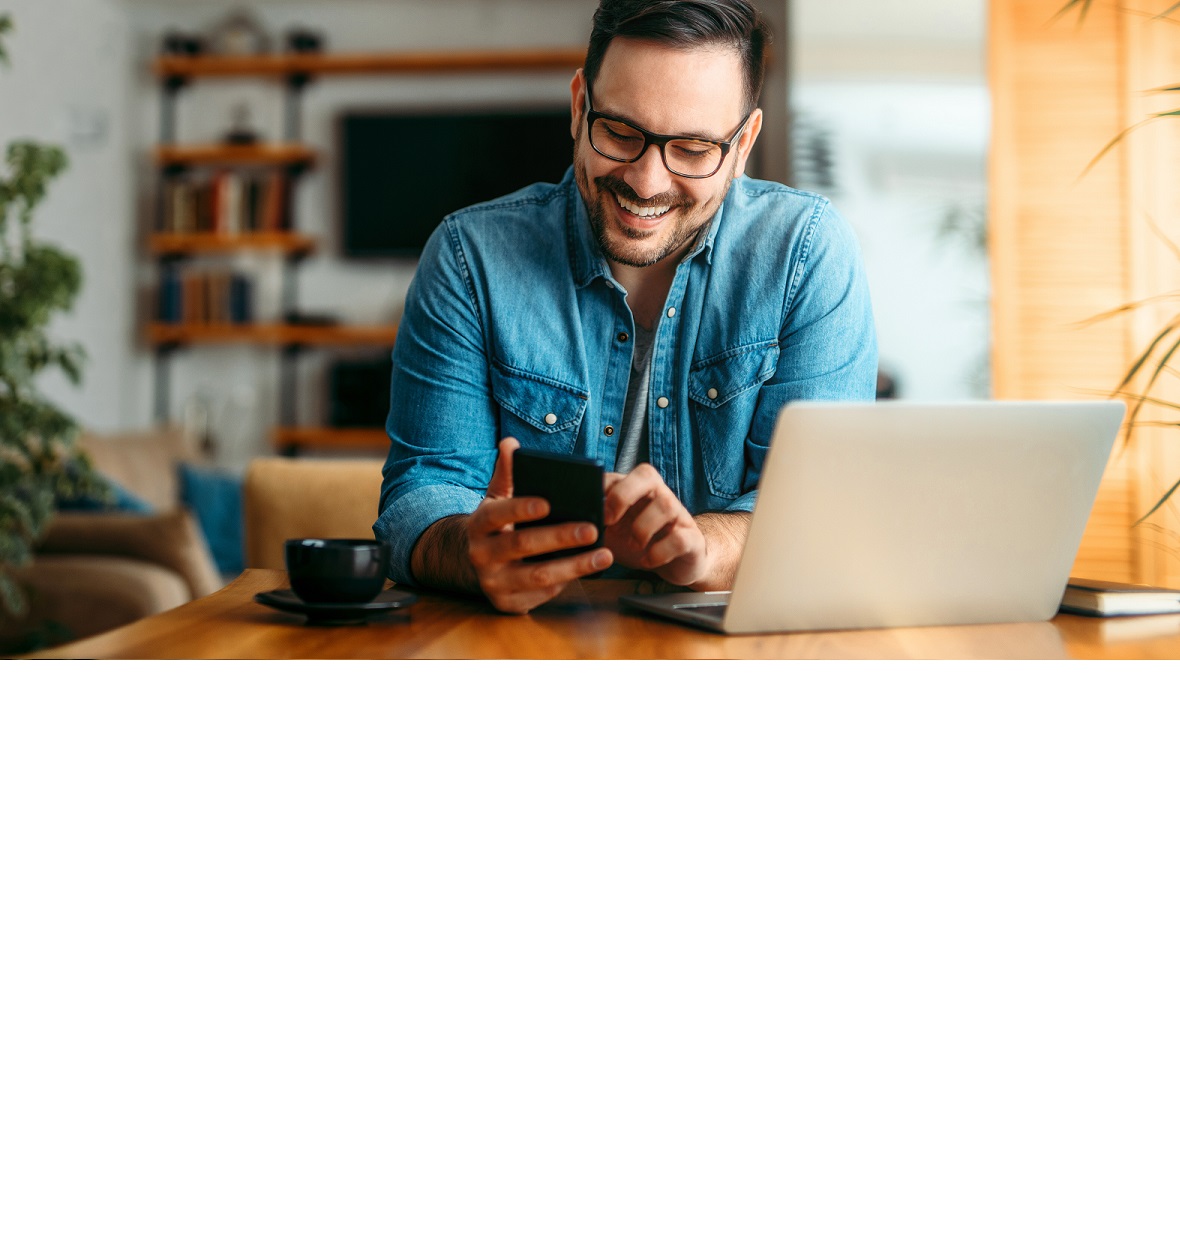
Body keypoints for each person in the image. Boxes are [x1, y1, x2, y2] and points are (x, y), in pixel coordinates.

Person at [374, 0, 877, 614]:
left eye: (692, 149)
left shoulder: (806, 255)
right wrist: (469, 551)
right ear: (580, 106)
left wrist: (704, 548)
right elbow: (419, 498)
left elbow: (821, 513)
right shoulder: (468, 258)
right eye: (621, 133)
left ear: (743, 143)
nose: (645, 182)